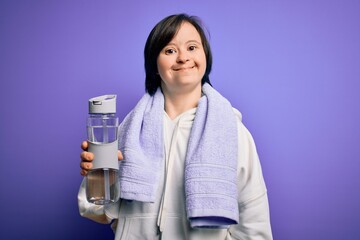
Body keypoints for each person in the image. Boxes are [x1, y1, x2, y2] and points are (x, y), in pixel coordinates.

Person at [78, 13, 273, 239]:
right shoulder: (129, 130)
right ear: (154, 64)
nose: (183, 58)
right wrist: (100, 178)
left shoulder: (232, 132)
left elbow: (254, 223)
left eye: (192, 47)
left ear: (205, 56)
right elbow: (95, 210)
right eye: (170, 50)